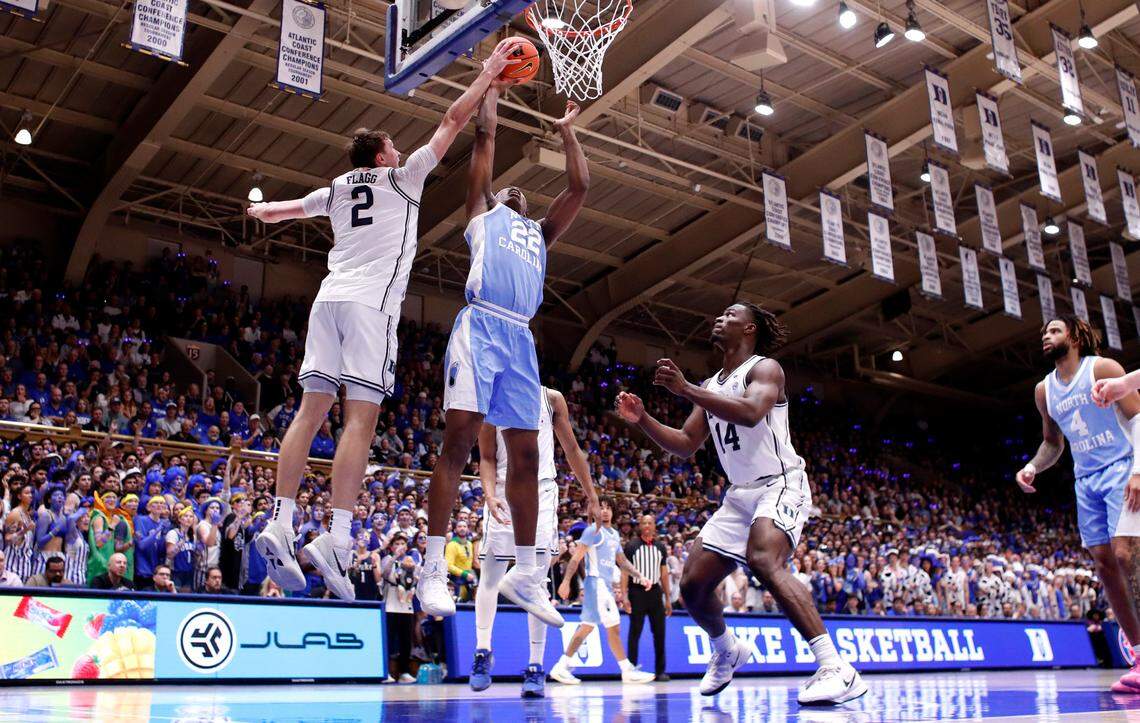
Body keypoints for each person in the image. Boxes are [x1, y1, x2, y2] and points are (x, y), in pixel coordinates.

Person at [247, 39, 522, 601]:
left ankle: (281, 518)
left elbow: (289, 209)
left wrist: (262, 211)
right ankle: (339, 538)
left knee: (309, 412)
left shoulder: (339, 188)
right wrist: (487, 72)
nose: (401, 153)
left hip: (327, 301)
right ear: (381, 159)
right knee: (360, 421)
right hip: (371, 306)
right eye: (394, 149)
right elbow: (451, 120)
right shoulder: (403, 179)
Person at [614, 303, 866, 704]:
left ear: (749, 327)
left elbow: (751, 413)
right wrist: (643, 419)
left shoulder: (766, 369)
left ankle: (836, 666)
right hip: (739, 493)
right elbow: (684, 444)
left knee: (764, 560)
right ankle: (727, 648)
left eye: (730, 314)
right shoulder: (712, 383)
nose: (719, 317)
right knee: (693, 587)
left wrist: (684, 390)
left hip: (780, 483)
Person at [418, 79, 588, 628]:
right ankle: (432, 568)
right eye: (505, 189)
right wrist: (490, 84)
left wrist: (567, 135)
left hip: (520, 339)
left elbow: (580, 187)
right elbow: (485, 138)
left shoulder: (539, 233)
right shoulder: (481, 214)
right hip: (481, 326)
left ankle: (527, 571)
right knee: (461, 440)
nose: (513, 191)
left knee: (530, 452)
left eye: (521, 191)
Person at [1016, 315, 1140, 694]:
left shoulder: (1102, 368)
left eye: (1053, 330)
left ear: (1074, 335)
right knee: (1104, 565)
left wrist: (1138, 471)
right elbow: (1054, 443)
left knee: (1124, 556)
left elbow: (1138, 419)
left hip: (1122, 467)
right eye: (1043, 332)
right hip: (1086, 482)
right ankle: (1138, 654)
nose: (1046, 336)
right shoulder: (1044, 391)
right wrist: (1033, 465)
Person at [470, 386, 602, 697]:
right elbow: (486, 457)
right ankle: (482, 651)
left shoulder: (552, 398)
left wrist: (592, 495)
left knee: (535, 582)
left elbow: (571, 449)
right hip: (502, 489)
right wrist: (488, 494)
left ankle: (535, 665)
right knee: (490, 576)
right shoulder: (492, 397)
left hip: (542, 490)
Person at [549, 500, 656, 687]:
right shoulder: (592, 531)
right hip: (595, 583)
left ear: (613, 512)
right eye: (601, 508)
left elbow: (622, 562)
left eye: (608, 508)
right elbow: (575, 559)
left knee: (589, 627)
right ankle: (627, 670)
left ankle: (561, 666)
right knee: (612, 626)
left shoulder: (614, 534)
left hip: (604, 587)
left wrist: (640, 576)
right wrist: (566, 582)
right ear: (594, 511)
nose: (604, 511)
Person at [620, 514, 672, 681]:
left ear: (655, 526)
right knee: (635, 632)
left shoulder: (660, 547)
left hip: (656, 593)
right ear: (640, 526)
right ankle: (632, 669)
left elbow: (664, 573)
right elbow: (624, 572)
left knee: (660, 633)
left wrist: (668, 598)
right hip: (637, 592)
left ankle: (660, 671)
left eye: (650, 522)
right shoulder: (631, 545)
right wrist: (624, 595)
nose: (647, 525)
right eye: (644, 522)